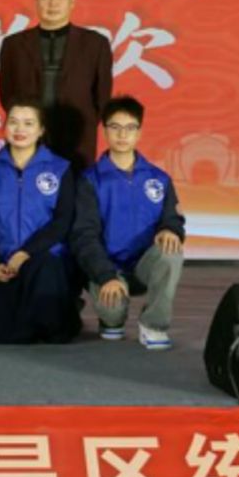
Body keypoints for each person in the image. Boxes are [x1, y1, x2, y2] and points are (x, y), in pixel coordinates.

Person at [0, 98, 79, 344]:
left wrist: (25, 253)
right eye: (13, 122)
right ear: (4, 126)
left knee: (52, 331)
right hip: (3, 266)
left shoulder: (60, 169)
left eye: (29, 123)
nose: (20, 129)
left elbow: (62, 222)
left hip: (44, 263)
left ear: (41, 130)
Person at [71, 95, 185, 350]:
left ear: (139, 132)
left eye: (130, 128)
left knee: (171, 252)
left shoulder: (159, 178)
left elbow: (172, 217)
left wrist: (170, 229)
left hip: (143, 266)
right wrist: (105, 275)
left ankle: (154, 325)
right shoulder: (90, 180)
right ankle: (111, 320)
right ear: (104, 131)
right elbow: (83, 236)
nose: (122, 135)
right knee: (113, 319)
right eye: (115, 127)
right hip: (107, 270)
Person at [0, 0, 113, 169]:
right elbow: (7, 94)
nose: (53, 3)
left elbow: (102, 96)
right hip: (29, 138)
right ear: (36, 1)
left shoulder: (95, 44)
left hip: (77, 139)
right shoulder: (13, 45)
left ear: (72, 2)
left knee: (76, 187)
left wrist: (83, 124)